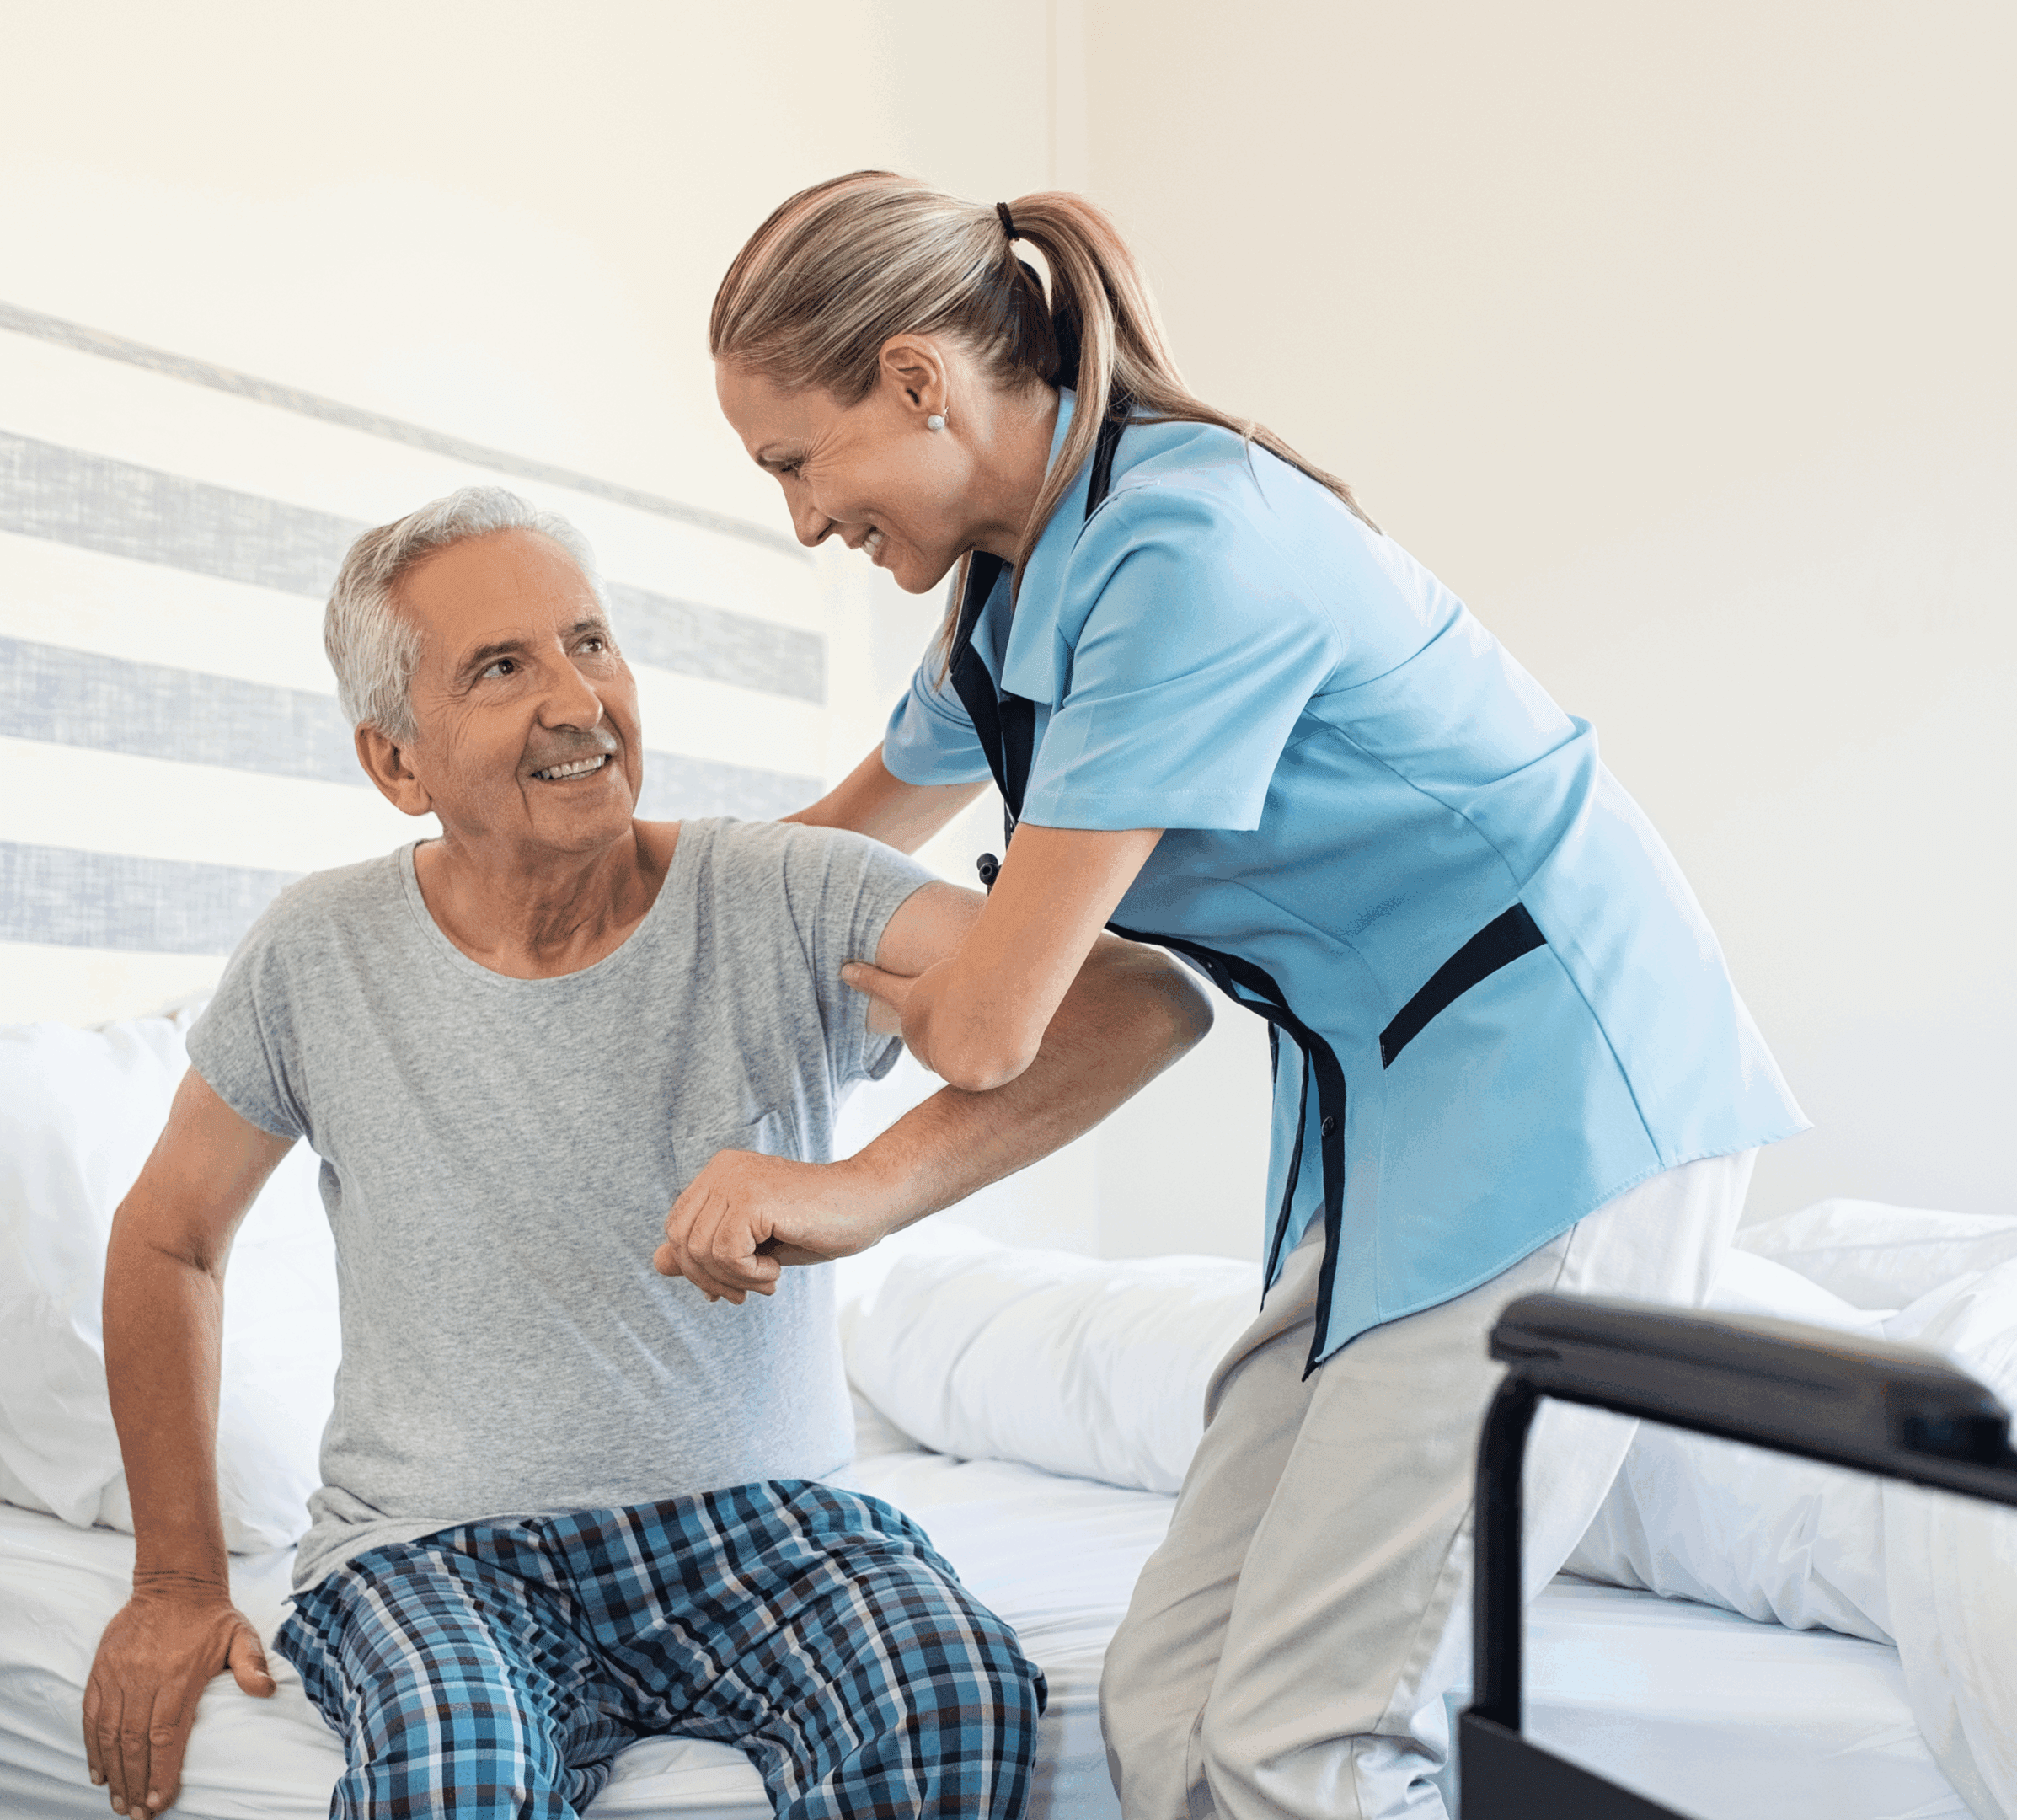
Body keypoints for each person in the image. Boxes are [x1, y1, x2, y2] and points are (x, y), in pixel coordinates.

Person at [686, 173, 1809, 1820]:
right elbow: (828, 850)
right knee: (1164, 1700)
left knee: (1310, 1742)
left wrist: (867, 1135)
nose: (801, 520)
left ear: (918, 382)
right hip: (1399, 1129)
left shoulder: (1182, 546)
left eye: (796, 461)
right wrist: (575, 911)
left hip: (1567, 1090)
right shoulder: (1008, 592)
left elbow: (1000, 1021)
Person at [82, 486, 1212, 1820]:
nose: (577, 700)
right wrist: (176, 1581)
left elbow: (1138, 1004)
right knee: (460, 1773)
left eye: (590, 642)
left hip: (765, 1526)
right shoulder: (316, 952)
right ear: (397, 762)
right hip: (436, 1550)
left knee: (948, 1695)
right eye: (502, 668)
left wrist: (866, 1189)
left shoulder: (788, 892)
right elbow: (170, 1238)